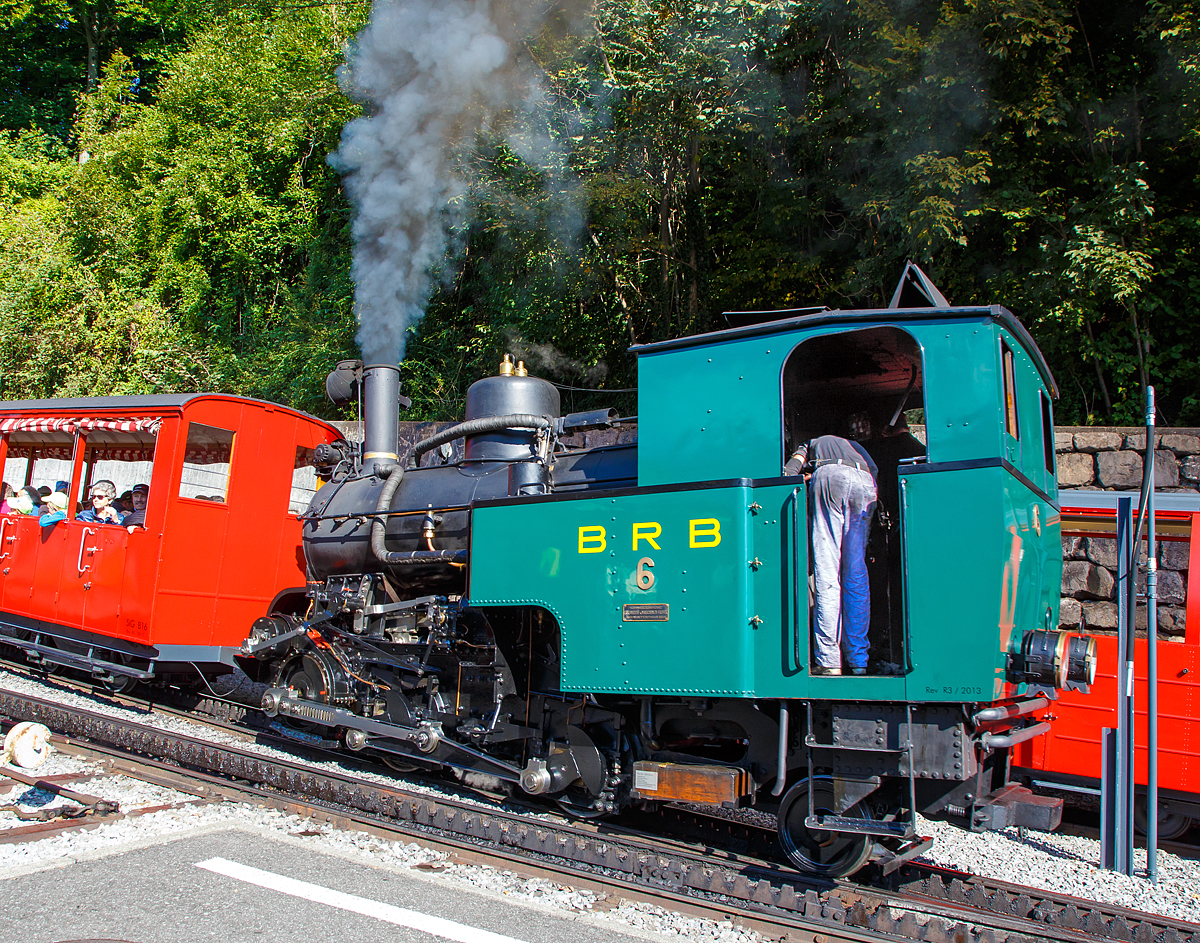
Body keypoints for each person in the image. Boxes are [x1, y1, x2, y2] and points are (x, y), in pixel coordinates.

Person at [784, 415, 878, 676]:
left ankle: (829, 660)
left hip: (830, 478)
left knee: (827, 572)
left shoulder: (811, 443)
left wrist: (809, 478)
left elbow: (789, 471)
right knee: (856, 573)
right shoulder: (858, 449)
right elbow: (876, 472)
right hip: (866, 485)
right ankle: (859, 660)